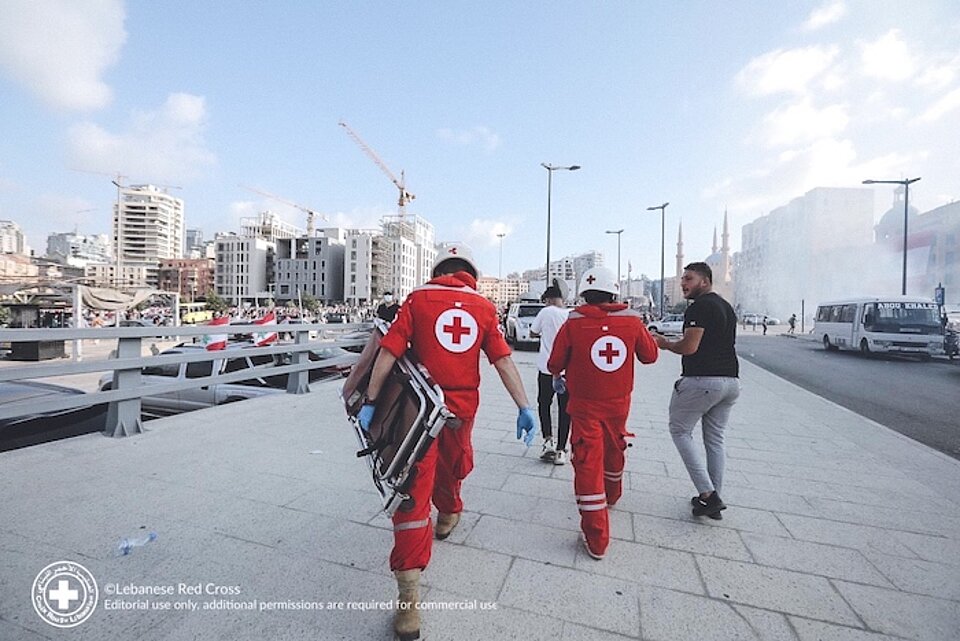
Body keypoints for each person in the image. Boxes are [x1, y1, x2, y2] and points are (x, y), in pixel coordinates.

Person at [359, 243, 536, 641]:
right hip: (461, 409)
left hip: (419, 411)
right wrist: (525, 406)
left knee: (411, 491)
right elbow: (503, 360)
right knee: (455, 466)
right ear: (470, 274)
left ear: (437, 270)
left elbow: (389, 351)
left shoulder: (417, 299)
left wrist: (370, 400)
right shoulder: (485, 308)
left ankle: (409, 604)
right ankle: (451, 511)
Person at [548, 267, 658, 560]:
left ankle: (597, 539)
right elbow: (650, 356)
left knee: (587, 463)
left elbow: (554, 362)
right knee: (615, 447)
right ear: (614, 292)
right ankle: (613, 494)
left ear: (584, 294)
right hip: (619, 404)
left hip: (583, 406)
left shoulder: (573, 322)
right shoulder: (633, 321)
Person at [653, 262, 740, 520]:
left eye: (688, 278)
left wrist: (664, 344)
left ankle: (707, 494)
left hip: (703, 380)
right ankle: (714, 497)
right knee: (715, 440)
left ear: (705, 281)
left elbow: (690, 347)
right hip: (731, 383)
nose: (683, 283)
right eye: (682, 278)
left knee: (680, 431)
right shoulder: (726, 306)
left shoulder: (700, 307)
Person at [530, 285, 571, 464]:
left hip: (547, 369)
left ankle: (548, 441)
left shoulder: (545, 313)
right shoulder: (571, 315)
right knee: (565, 410)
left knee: (544, 404)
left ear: (549, 299)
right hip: (567, 371)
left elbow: (533, 332)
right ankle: (561, 449)